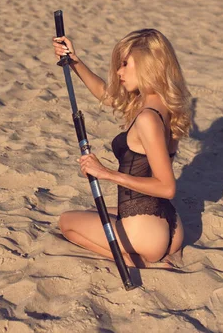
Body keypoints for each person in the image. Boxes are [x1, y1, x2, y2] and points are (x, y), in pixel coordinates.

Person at [52, 29, 192, 268]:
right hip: (171, 227)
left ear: (148, 66)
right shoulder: (161, 104)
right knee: (93, 211)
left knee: (67, 222)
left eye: (125, 64)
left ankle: (136, 261)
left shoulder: (147, 118)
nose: (119, 71)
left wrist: (105, 173)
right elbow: (108, 96)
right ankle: (160, 252)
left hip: (145, 236)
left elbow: (167, 187)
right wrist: (75, 62)